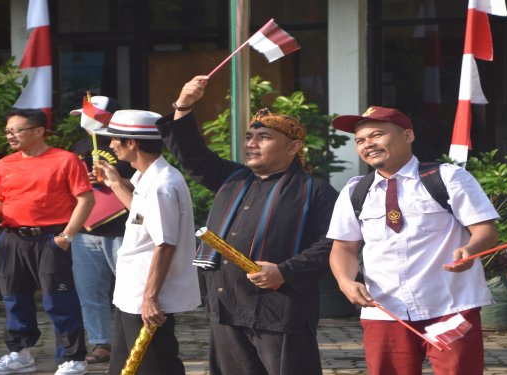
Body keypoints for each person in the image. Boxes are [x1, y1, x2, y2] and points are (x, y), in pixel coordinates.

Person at [156, 76, 338, 374]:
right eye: (249, 137)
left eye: (263, 138)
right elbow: (192, 156)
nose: (251, 144)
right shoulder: (232, 178)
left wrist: (284, 271)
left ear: (293, 147)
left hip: (280, 313)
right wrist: (184, 105)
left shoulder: (315, 191)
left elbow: (332, 245)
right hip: (227, 307)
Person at [327, 106, 499, 374]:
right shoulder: (355, 191)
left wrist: (471, 250)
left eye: (376, 135)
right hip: (385, 311)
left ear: (407, 136)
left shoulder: (447, 178)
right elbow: (343, 248)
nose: (368, 144)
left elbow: (485, 230)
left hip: (449, 307)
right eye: (360, 140)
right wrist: (345, 281)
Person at [0, 108, 94, 375]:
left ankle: (73, 358)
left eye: (16, 130)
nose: (10, 136)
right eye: (7, 131)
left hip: (51, 238)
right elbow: (0, 203)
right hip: (12, 239)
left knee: (58, 300)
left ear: (39, 131)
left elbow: (86, 199)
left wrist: (66, 236)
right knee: (14, 299)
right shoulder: (5, 164)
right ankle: (20, 354)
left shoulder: (66, 160)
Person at [94, 109, 200, 375]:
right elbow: (143, 219)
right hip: (132, 293)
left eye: (114, 139)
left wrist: (150, 298)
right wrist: (116, 184)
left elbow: (165, 244)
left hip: (146, 293)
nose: (110, 145)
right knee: (127, 364)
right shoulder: (146, 176)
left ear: (131, 143)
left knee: (154, 365)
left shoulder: (162, 184)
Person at [69, 96, 135, 364]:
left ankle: (132, 340)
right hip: (85, 230)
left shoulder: (126, 144)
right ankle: (101, 342)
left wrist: (117, 180)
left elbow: (145, 181)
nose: (85, 122)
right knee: (89, 291)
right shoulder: (80, 146)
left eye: (91, 115)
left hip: (121, 228)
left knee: (130, 289)